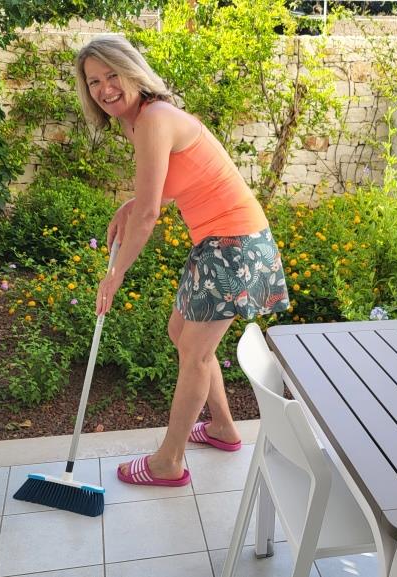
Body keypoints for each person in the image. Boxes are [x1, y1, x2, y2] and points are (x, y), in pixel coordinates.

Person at [74, 36, 290, 486]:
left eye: (113, 75)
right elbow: (172, 186)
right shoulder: (141, 121)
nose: (105, 89)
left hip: (235, 244)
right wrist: (131, 204)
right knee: (181, 334)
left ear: (133, 72)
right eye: (94, 82)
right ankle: (223, 427)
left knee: (195, 353)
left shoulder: (154, 119)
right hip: (217, 242)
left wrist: (114, 276)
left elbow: (150, 215)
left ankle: (168, 462)